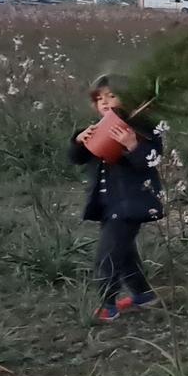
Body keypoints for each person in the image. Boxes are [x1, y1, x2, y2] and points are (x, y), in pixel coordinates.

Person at [68, 74, 164, 322]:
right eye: (99, 98)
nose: (105, 102)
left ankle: (106, 305)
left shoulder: (143, 128)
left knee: (107, 257)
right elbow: (78, 158)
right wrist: (79, 141)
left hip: (130, 205)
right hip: (107, 204)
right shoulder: (98, 130)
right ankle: (143, 294)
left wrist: (133, 146)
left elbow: (151, 161)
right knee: (125, 253)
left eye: (111, 95)